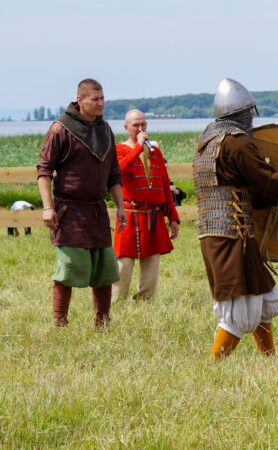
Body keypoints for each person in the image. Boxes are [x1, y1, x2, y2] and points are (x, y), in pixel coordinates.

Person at [197, 78, 278, 360]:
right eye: (250, 113)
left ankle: (268, 360)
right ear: (245, 113)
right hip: (231, 238)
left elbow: (246, 189)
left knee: (266, 299)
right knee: (239, 312)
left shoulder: (208, 141)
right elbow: (266, 180)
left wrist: (277, 197)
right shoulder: (237, 143)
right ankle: (212, 366)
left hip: (226, 235)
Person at [37, 78, 127, 327]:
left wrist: (120, 207)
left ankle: (103, 322)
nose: (101, 103)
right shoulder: (60, 129)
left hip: (97, 212)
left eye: (102, 98)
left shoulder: (105, 129)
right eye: (95, 99)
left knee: (105, 270)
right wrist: (47, 208)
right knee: (68, 270)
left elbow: (114, 174)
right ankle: (60, 323)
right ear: (80, 100)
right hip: (69, 212)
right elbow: (44, 172)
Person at [112, 110, 180, 302]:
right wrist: (138, 148)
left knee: (151, 266)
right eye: (135, 125)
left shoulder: (155, 152)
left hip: (153, 216)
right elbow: (120, 170)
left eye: (143, 124)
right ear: (126, 127)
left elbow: (164, 186)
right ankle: (115, 305)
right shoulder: (117, 149)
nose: (140, 129)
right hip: (129, 215)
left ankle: (144, 305)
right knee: (123, 265)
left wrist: (173, 217)